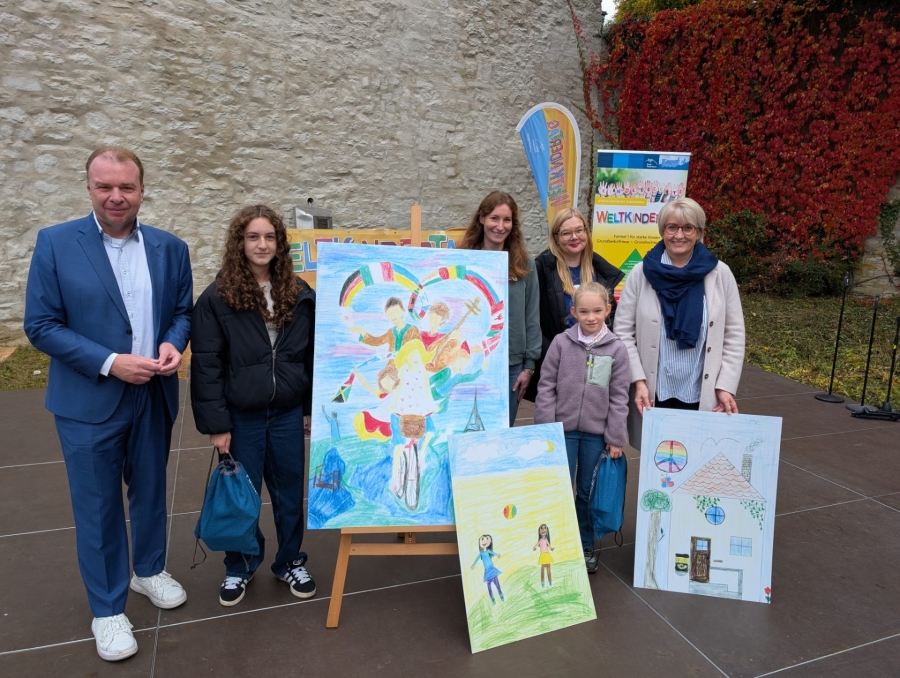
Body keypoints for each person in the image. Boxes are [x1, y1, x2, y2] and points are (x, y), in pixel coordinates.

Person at [24, 146, 192, 661]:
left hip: (153, 392)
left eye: (127, 187)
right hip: (89, 398)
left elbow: (182, 312)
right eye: (105, 186)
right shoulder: (55, 243)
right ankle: (108, 610)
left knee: (149, 490)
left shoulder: (170, 247)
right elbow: (41, 325)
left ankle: (148, 571)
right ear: (89, 187)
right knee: (97, 506)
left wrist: (172, 342)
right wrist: (110, 361)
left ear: (142, 189)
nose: (116, 196)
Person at [190, 204, 317, 608]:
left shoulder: (299, 294)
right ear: (239, 243)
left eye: (269, 237)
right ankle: (239, 565)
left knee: (288, 493)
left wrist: (310, 407)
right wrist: (216, 423)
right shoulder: (218, 298)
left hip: (286, 412)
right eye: (252, 237)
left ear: (279, 243)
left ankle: (289, 561)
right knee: (241, 494)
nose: (262, 244)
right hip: (241, 415)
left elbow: (311, 356)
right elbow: (206, 364)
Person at [614, 197, 745, 448]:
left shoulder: (720, 273)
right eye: (672, 227)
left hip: (701, 390)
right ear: (662, 230)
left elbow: (734, 334)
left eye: (688, 228)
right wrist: (637, 380)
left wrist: (725, 386)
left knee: (697, 462)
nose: (679, 235)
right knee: (658, 468)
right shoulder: (642, 273)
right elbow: (622, 332)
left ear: (699, 232)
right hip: (653, 391)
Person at [533, 282, 631, 573]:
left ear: (608, 310)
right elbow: (546, 386)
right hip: (561, 431)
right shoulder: (561, 344)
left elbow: (619, 396)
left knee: (588, 491)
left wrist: (615, 437)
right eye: (584, 311)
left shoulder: (617, 350)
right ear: (573, 311)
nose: (590, 317)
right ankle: (556, 542)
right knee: (558, 485)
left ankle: (585, 543)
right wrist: (546, 427)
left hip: (596, 434)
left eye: (597, 311)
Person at [459, 191, 541, 425]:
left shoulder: (524, 264)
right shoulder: (464, 259)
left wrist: (529, 367)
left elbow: (531, 316)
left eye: (507, 220)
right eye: (494, 218)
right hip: (470, 361)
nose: (500, 226)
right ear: (482, 219)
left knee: (501, 431)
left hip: (511, 364)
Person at [528, 207, 623, 401]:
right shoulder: (542, 269)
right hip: (557, 362)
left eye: (579, 230)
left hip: (595, 363)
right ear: (556, 237)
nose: (574, 237)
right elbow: (533, 320)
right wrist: (554, 354)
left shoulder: (601, 271)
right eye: (566, 232)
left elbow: (610, 319)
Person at [471, 534, 503, 604]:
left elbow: (492, 553)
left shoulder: (488, 551)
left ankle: (501, 595)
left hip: (492, 569)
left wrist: (497, 555)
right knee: (489, 586)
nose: (484, 541)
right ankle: (492, 599)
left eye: (486, 539)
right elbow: (477, 559)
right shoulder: (481, 553)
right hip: (487, 571)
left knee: (497, 583)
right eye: (482, 539)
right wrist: (473, 565)